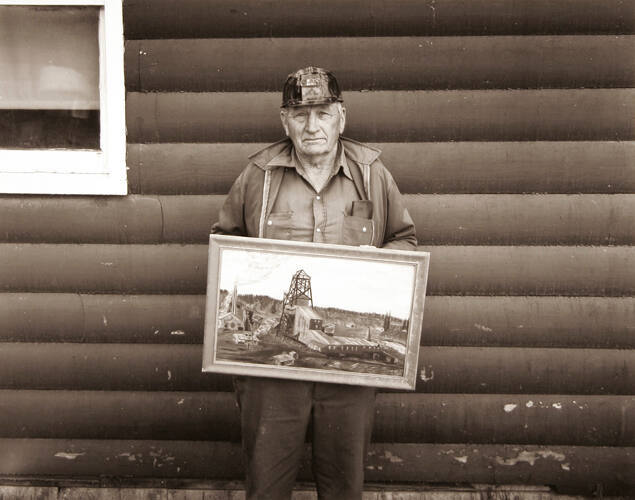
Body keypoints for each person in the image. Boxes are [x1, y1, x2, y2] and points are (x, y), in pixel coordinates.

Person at [211, 66, 417, 499]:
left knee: (344, 483)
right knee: (266, 481)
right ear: (284, 120)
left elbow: (403, 238)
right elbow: (226, 242)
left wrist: (377, 264)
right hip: (270, 372)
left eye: (322, 114)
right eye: (300, 114)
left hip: (346, 378)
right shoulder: (259, 175)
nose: (312, 126)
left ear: (341, 116)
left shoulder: (372, 173)